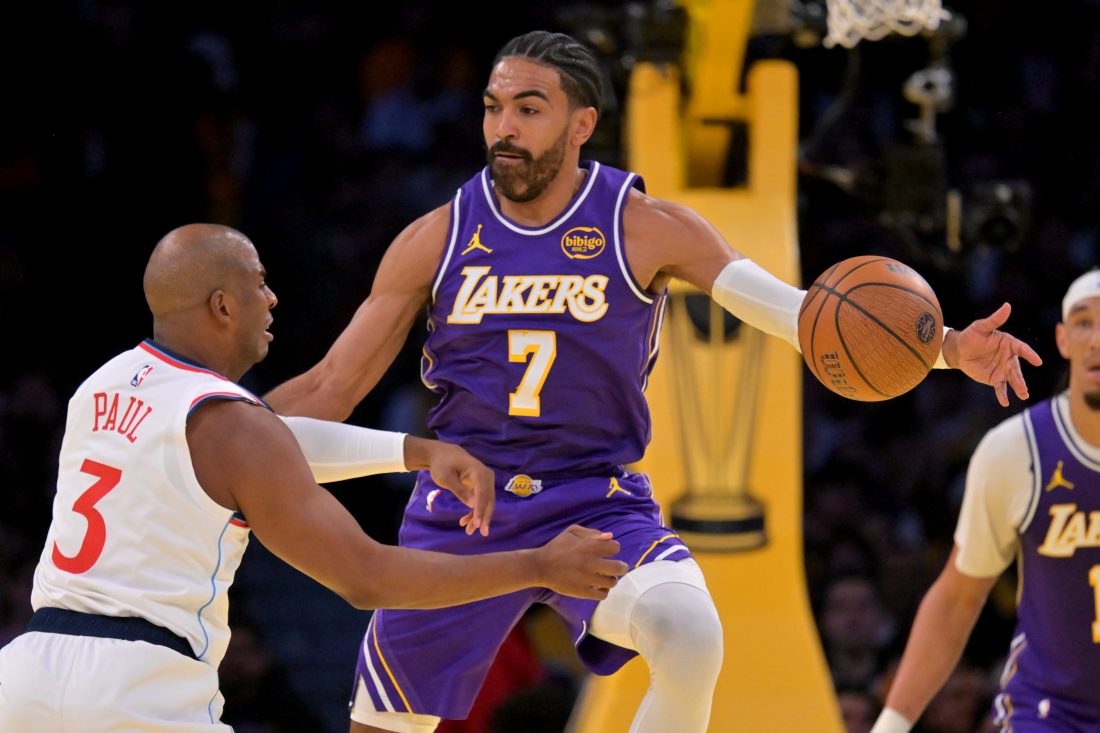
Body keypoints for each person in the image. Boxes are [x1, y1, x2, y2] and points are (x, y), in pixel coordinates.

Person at [263, 31, 1042, 733]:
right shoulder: (436, 237)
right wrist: (208, 422)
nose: (504, 127)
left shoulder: (645, 226)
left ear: (581, 124)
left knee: (690, 632)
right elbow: (333, 382)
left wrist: (942, 348)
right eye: (495, 107)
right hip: (463, 506)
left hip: (596, 498)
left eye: (529, 109)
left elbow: (795, 313)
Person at [0, 223, 628, 733]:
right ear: (222, 306)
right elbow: (366, 577)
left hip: (26, 675)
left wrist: (414, 451)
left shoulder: (100, 387)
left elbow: (263, 448)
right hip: (136, 691)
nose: (271, 300)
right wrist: (538, 566)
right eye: (259, 284)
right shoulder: (232, 426)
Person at [870, 269, 1100, 733]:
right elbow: (957, 598)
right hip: (1050, 715)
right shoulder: (1016, 451)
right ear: (1062, 339)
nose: (1097, 338)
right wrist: (891, 725)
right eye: (1083, 322)